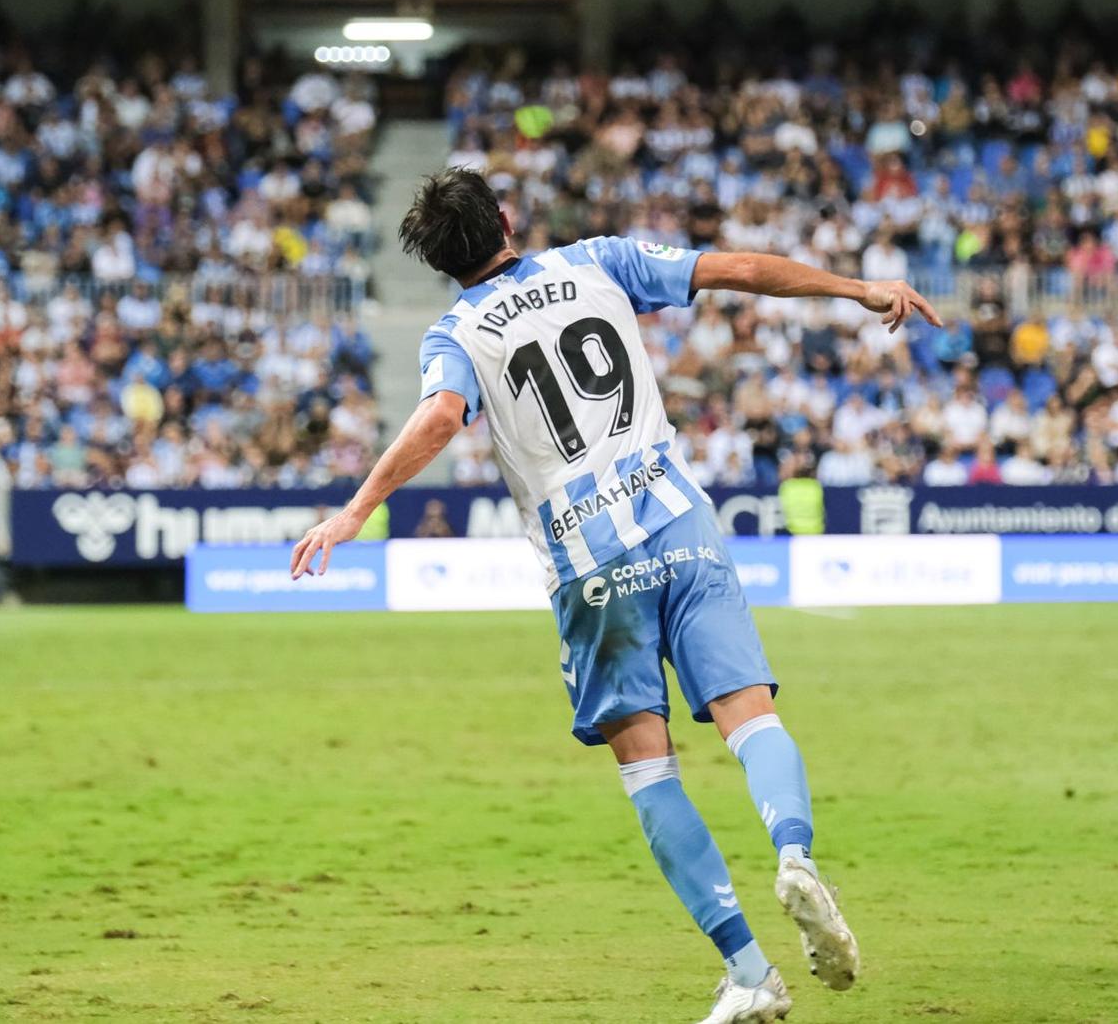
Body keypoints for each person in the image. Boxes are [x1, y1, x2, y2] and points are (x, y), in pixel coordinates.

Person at [290, 168, 938, 1023]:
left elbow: (444, 416)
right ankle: (794, 853)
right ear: (508, 220)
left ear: (442, 264)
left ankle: (751, 969)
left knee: (649, 768)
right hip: (680, 524)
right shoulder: (599, 260)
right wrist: (857, 287)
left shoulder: (457, 331)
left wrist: (355, 508)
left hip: (590, 567)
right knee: (754, 718)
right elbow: (734, 267)